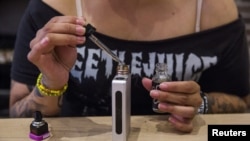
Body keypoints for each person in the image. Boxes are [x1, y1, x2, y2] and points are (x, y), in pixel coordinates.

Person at [9, 0, 250, 133]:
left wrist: (201, 104)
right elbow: (16, 116)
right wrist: (51, 83)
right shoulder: (52, 8)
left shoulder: (213, 11)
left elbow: (242, 106)